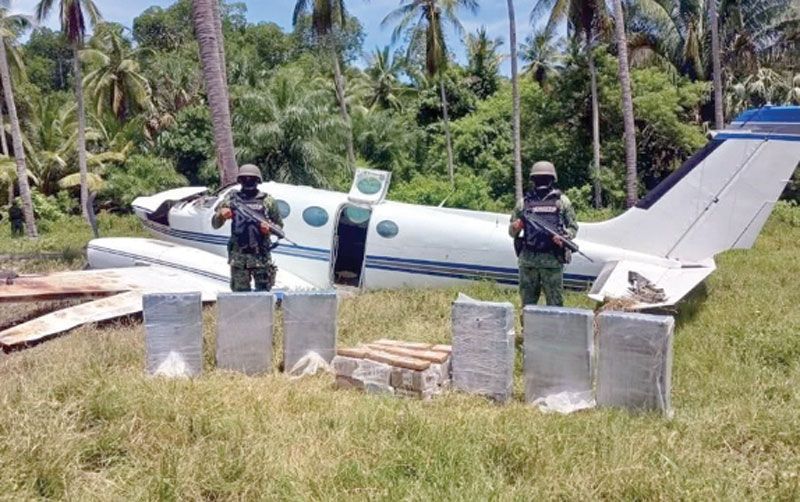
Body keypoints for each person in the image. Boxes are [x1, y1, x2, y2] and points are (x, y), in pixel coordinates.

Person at [508, 161, 578, 307]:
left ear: (552, 180)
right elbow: (511, 232)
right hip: (529, 263)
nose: (542, 183)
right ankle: (528, 330)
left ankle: (554, 330)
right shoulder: (524, 203)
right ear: (533, 181)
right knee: (527, 305)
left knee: (555, 304)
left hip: (552, 261)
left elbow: (573, 228)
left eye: (545, 179)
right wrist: (516, 226)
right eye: (538, 179)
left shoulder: (562, 202)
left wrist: (564, 237)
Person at [211, 164, 284, 292]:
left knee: (263, 296)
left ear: (258, 181)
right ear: (240, 181)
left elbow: (279, 226)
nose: (248, 182)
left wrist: (269, 229)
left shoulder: (267, 201)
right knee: (240, 297)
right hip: (239, 258)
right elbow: (215, 224)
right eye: (245, 179)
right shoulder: (232, 199)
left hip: (261, 257)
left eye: (252, 179)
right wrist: (222, 215)